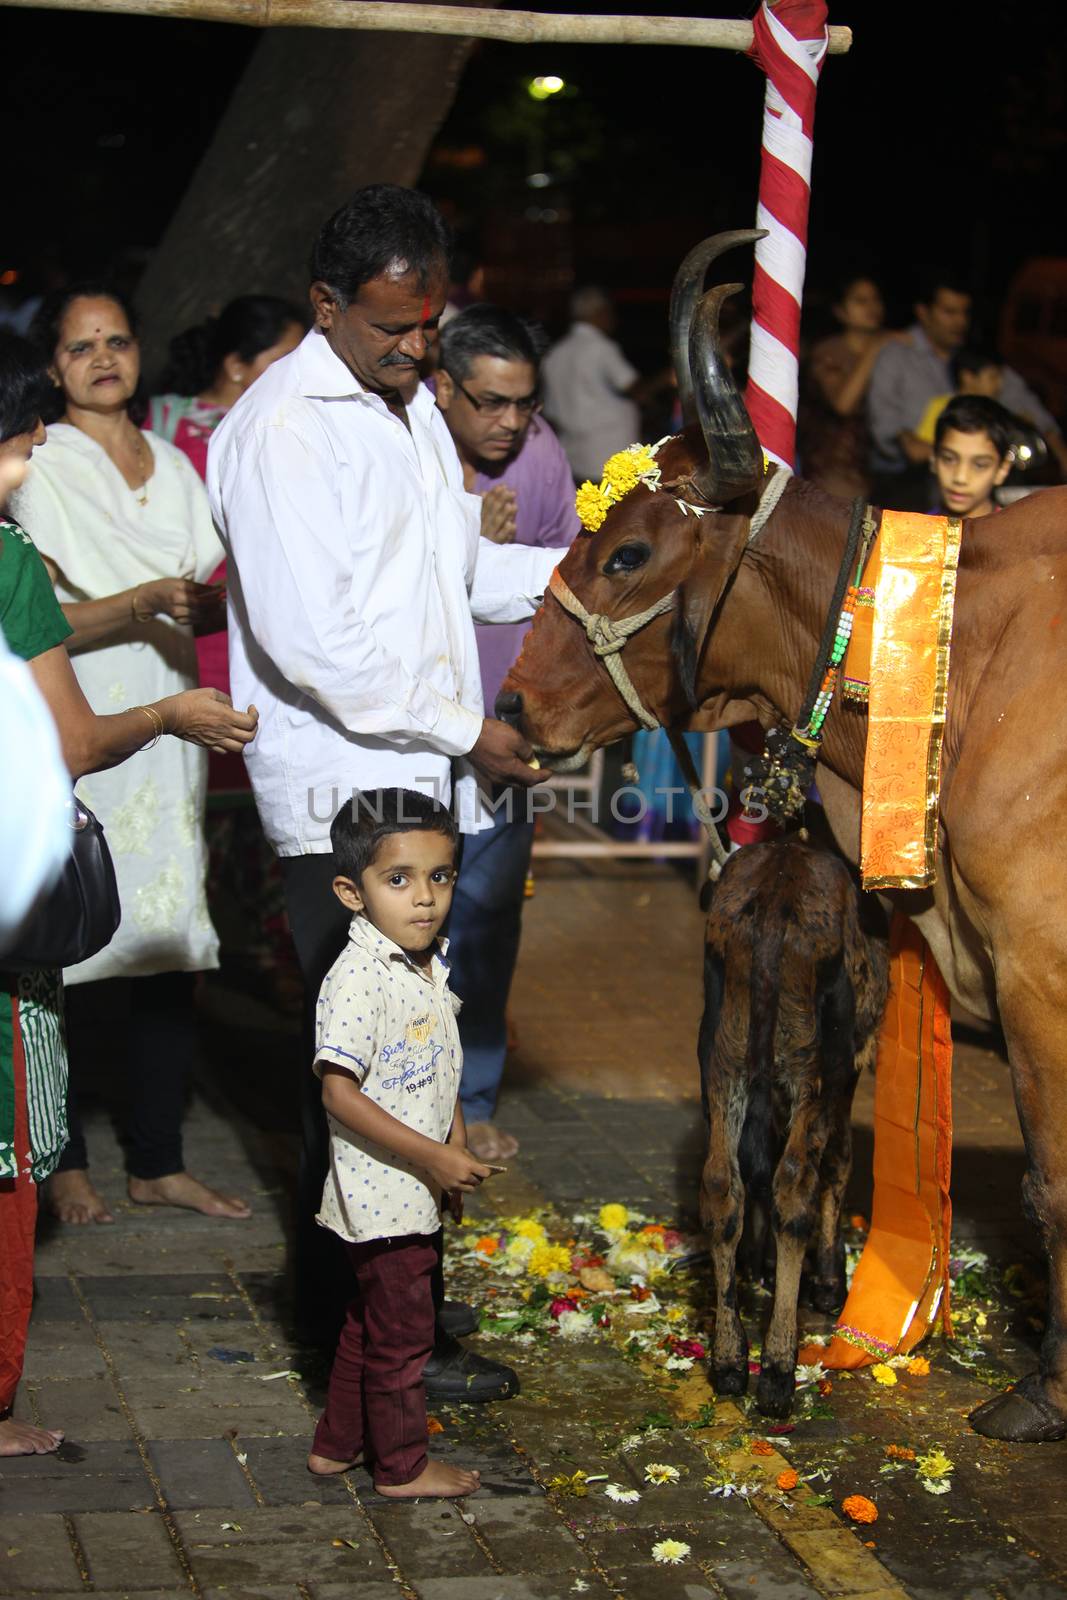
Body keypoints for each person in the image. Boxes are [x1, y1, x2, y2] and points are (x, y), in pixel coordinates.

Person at [208, 183, 560, 1396]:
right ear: (324, 305)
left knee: (410, 1065)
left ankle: (401, 1329)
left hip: (413, 785)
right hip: (339, 802)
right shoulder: (283, 428)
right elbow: (319, 647)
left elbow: (461, 570)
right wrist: (471, 729)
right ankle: (354, 1346)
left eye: (431, 322)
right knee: (352, 1085)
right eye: (392, 327)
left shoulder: (402, 408)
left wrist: (596, 573)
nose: (421, 350)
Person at [0, 329, 256, 1455]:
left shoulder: (167, 465)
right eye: (14, 451)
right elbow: (72, 741)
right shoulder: (7, 556)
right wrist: (165, 714)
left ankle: (143, 1160)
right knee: (8, 1151)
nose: (23, 470)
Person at [307, 789, 488, 1498]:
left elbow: (441, 1067)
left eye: (439, 877)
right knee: (404, 1337)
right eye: (398, 880)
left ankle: (337, 1446)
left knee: (368, 1322)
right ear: (352, 892)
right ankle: (402, 1466)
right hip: (383, 1194)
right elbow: (336, 1091)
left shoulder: (422, 963)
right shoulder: (358, 980)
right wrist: (432, 1157)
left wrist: (456, 1151)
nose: (424, 899)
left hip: (414, 1188)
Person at [434, 304, 577, 1162]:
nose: (509, 423)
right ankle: (397, 1099)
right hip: (406, 733)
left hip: (503, 732)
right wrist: (459, 531)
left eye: (522, 404)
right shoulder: (400, 445)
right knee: (406, 924)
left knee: (485, 923)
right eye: (490, 403)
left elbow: (570, 587)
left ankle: (473, 1094)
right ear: (442, 388)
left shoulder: (542, 454)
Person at [152, 297, 305, 980]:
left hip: (264, 659)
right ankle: (198, 978)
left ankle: (270, 967)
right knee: (195, 842)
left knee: (268, 837)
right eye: (283, 359)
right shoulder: (162, 427)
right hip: (188, 650)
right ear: (237, 365)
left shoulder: (294, 425)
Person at [868, 272, 1067, 509]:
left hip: (982, 484)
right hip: (904, 482)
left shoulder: (977, 357)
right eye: (950, 312)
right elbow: (890, 437)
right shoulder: (897, 354)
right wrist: (954, 455)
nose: (960, 321)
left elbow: (1029, 408)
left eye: (965, 313)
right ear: (923, 312)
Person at [542, 286, 669, 482]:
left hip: (574, 459)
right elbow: (636, 390)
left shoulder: (554, 354)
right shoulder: (601, 348)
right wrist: (669, 376)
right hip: (610, 456)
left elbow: (550, 414)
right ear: (599, 313)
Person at [799, 275, 902, 500]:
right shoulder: (828, 352)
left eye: (875, 299)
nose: (872, 307)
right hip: (832, 471)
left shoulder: (892, 351)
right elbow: (843, 404)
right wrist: (874, 347)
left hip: (879, 469)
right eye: (861, 301)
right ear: (840, 311)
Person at [931, 394, 1015, 519]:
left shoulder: (1012, 534)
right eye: (948, 459)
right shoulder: (913, 532)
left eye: (979, 465)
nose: (960, 478)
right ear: (933, 458)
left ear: (1002, 469)